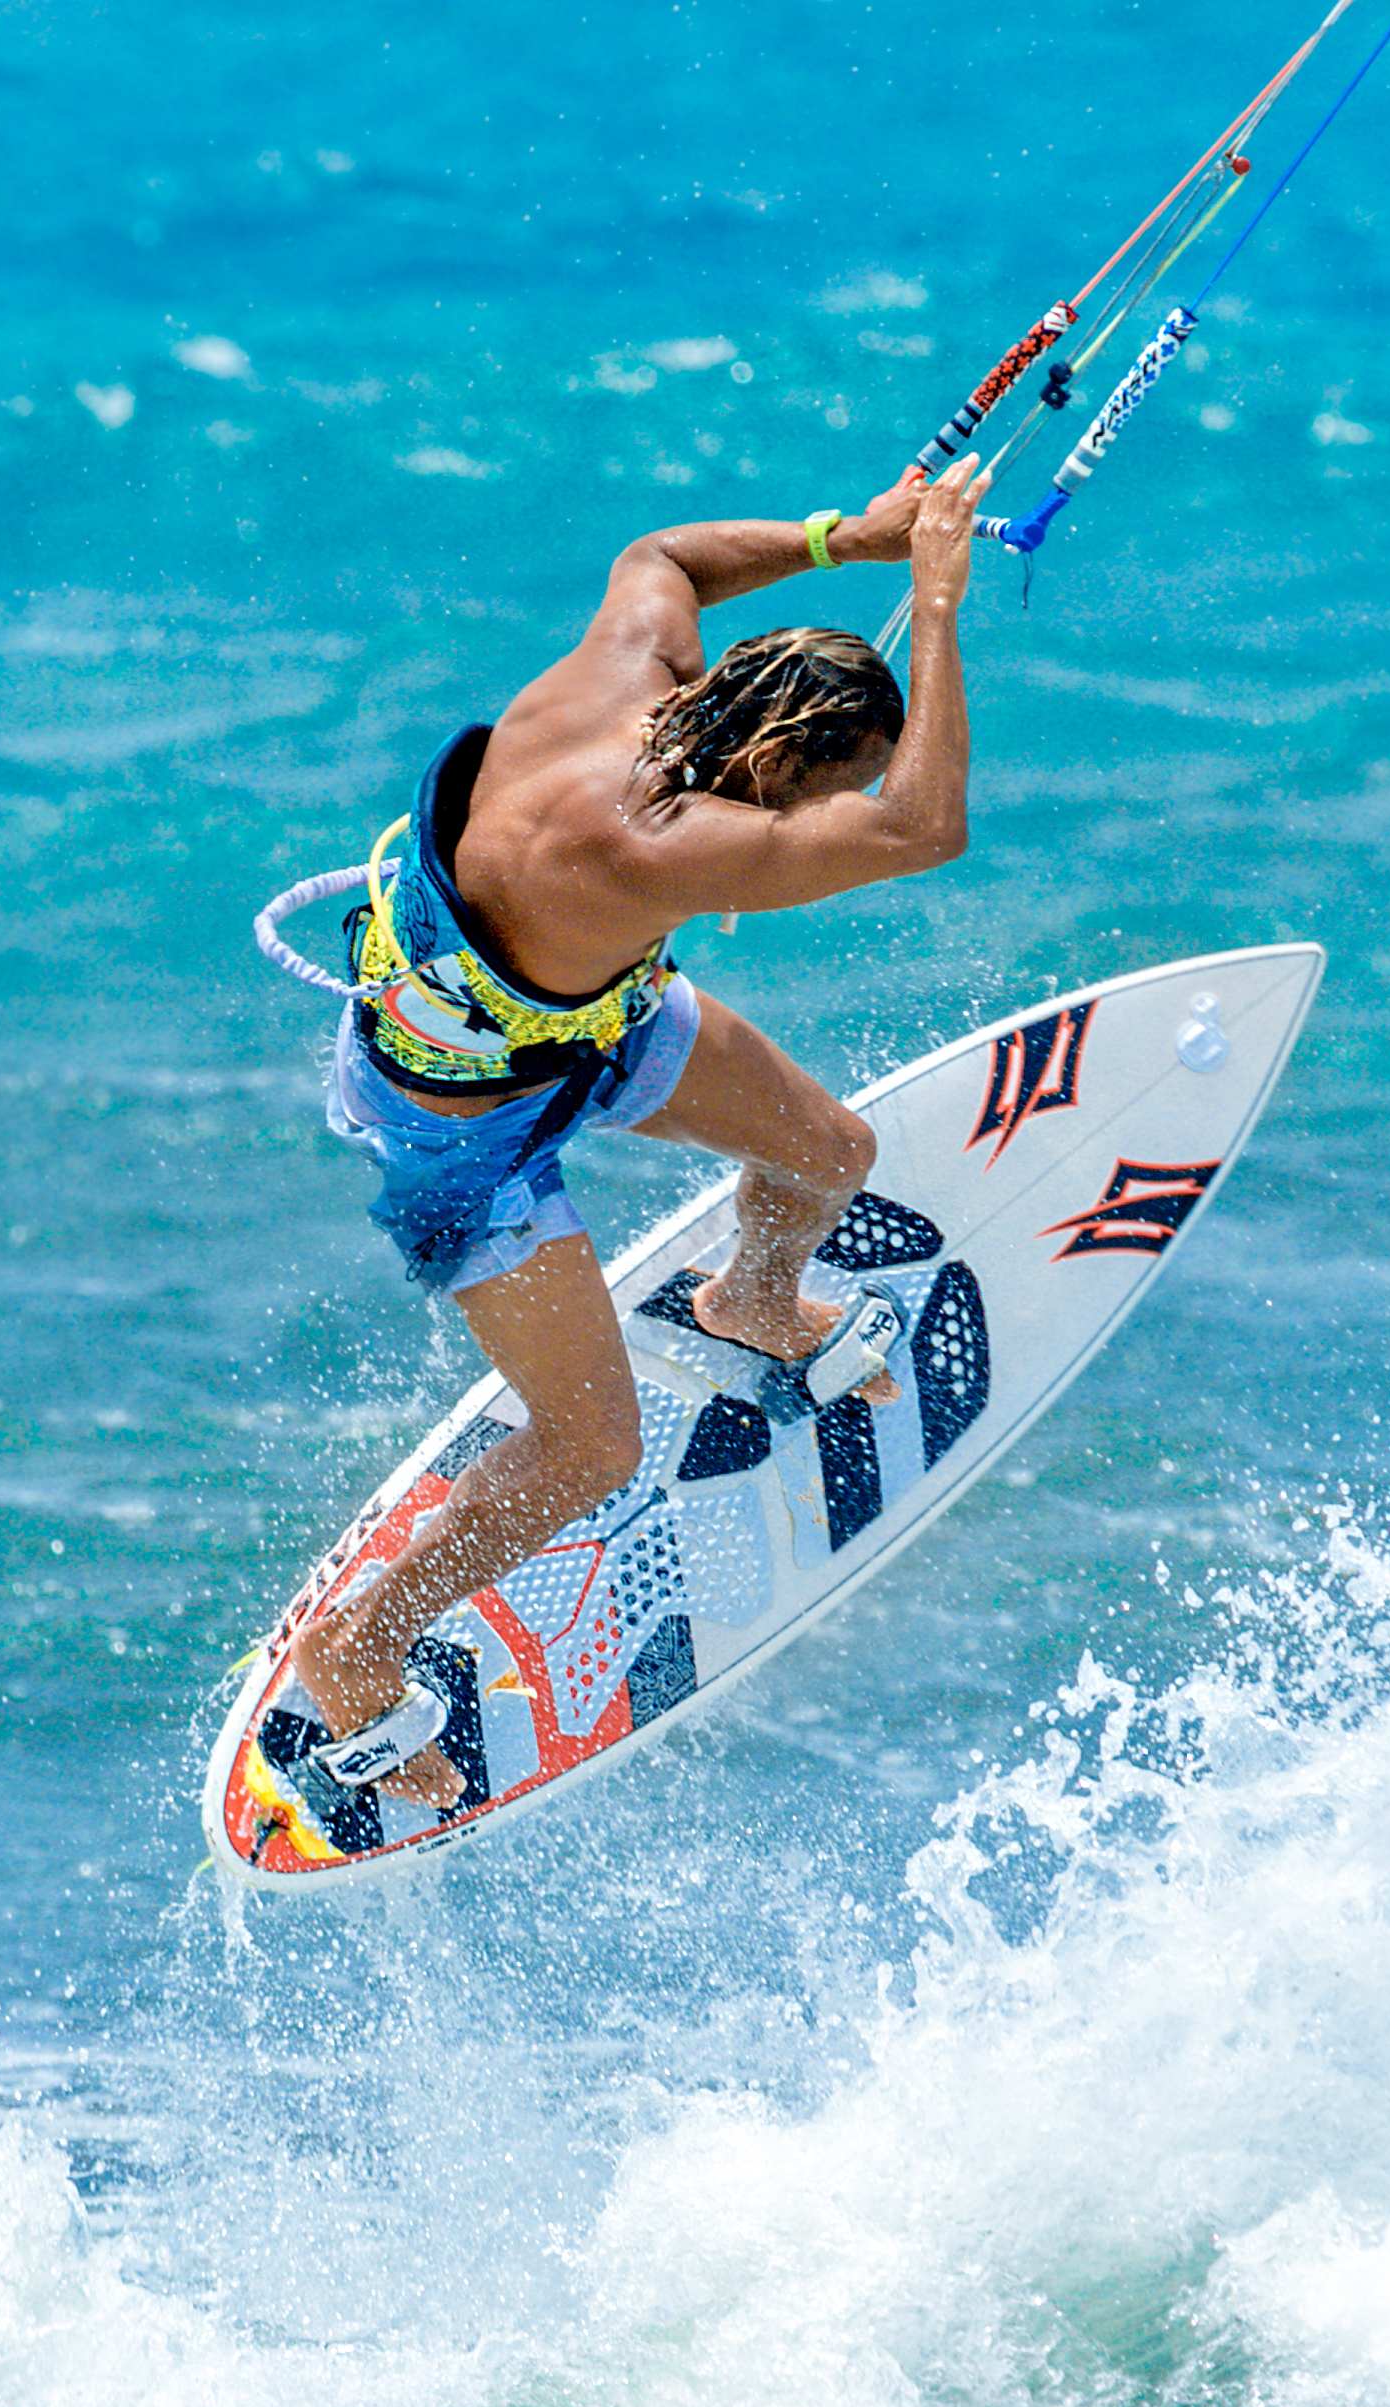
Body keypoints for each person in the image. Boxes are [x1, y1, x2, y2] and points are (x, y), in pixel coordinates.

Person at [289, 449, 995, 1810]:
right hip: (462, 1129)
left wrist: (854, 533)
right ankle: (360, 1645)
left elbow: (658, 557)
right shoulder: (658, 843)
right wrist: (944, 592)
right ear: (780, 757)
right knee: (591, 1449)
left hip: (580, 1017)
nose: (794, 826)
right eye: (804, 797)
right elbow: (925, 826)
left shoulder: (641, 672)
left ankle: (751, 1299)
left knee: (827, 1155)